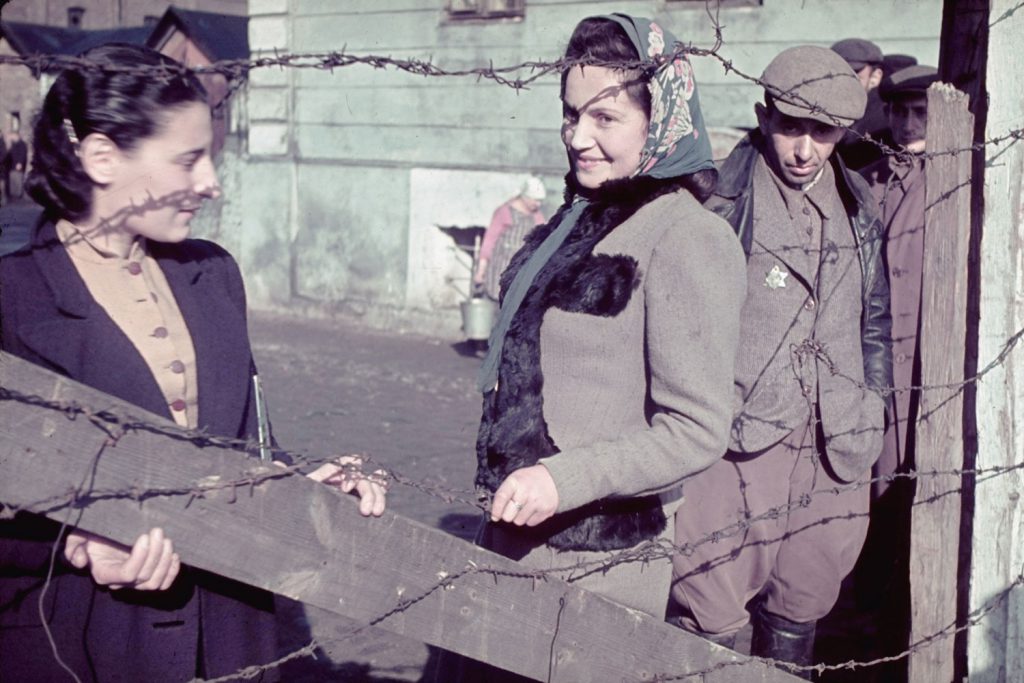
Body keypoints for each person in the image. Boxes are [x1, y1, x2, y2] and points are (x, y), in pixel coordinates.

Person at [0, 44, 387, 682]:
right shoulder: (14, 298)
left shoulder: (213, 273)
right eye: (188, 159)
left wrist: (304, 488)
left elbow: (247, 450)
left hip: (235, 637)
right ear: (102, 158)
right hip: (83, 644)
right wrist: (74, 547)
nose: (212, 182)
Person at [443, 13, 746, 681]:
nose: (578, 137)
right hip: (519, 543)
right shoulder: (579, 219)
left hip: (599, 569)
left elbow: (696, 430)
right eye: (571, 114)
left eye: (605, 118)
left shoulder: (687, 237)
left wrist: (563, 478)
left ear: (659, 118)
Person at [668, 45, 892, 676]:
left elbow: (874, 318)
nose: (804, 150)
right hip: (738, 443)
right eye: (791, 127)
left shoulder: (859, 207)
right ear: (763, 117)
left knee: (802, 606)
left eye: (823, 133)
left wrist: (871, 401)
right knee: (708, 608)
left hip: (835, 444)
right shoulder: (719, 203)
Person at [853, 63, 939, 676]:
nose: (909, 124)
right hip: (871, 368)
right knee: (868, 489)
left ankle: (908, 622)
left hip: (929, 374)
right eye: (900, 111)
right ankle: (868, 623)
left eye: (921, 112)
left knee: (916, 494)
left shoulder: (956, 182)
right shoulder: (870, 179)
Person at [473, 175, 546, 303]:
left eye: (540, 201)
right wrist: (480, 271)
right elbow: (489, 242)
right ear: (525, 197)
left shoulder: (537, 216)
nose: (538, 204)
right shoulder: (504, 212)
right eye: (535, 200)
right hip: (499, 272)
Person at [832, 38, 889, 170]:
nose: (843, 80)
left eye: (853, 73)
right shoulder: (824, 108)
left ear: (875, 77)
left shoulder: (884, 119)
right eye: (836, 73)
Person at [5, 129, 28, 200]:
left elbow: (22, 154)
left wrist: (20, 163)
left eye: (12, 136)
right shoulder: (14, 144)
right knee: (14, 179)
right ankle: (15, 194)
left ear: (16, 136)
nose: (11, 138)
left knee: (17, 179)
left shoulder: (21, 144)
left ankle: (18, 194)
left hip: (18, 165)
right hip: (13, 164)